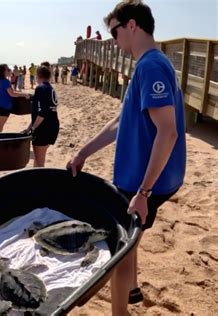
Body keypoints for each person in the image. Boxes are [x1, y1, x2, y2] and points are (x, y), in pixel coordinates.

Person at [66, 1, 186, 315]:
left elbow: (168, 131)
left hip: (144, 183)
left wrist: (144, 192)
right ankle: (132, 288)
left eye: (115, 32)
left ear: (131, 26)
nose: (115, 41)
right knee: (132, 233)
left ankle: (120, 309)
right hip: (145, 181)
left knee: (118, 250)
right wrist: (83, 153)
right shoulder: (151, 64)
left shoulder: (151, 66)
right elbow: (121, 122)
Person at [22, 65, 59, 167]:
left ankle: (40, 181)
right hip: (52, 126)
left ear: (38, 75)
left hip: (43, 128)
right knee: (38, 159)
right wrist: (29, 128)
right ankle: (35, 179)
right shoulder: (50, 88)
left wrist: (33, 129)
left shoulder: (40, 88)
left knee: (40, 161)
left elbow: (41, 114)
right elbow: (42, 112)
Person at [0, 64, 30, 132]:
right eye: (8, 70)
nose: (10, 71)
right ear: (3, 71)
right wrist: (25, 95)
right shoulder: (5, 81)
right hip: (2, 107)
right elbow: (12, 94)